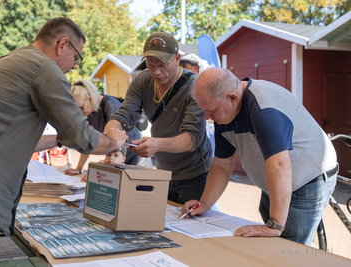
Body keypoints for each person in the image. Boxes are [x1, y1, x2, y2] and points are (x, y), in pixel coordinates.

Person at [0, 17, 127, 267]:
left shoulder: (4, 62)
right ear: (62, 44)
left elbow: (9, 137)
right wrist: (113, 142)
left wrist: (59, 138)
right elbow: (80, 136)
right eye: (76, 57)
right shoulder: (44, 68)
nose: (72, 67)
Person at [182, 67, 338, 246]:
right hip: (276, 178)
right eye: (204, 110)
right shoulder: (224, 113)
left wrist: (275, 224)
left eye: (211, 110)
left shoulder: (263, 109)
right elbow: (222, 165)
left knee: (287, 249)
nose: (207, 117)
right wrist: (204, 204)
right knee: (270, 242)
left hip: (307, 178)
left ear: (232, 98)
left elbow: (279, 165)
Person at [104, 32, 214, 205]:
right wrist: (110, 134)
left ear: (177, 59)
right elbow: (123, 116)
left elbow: (192, 138)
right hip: (164, 171)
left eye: (162, 65)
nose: (156, 71)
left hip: (196, 173)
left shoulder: (194, 87)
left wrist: (158, 144)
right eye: (150, 64)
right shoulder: (142, 81)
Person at [64, 79, 152, 179]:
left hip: (136, 154)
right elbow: (89, 141)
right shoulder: (87, 113)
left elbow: (116, 140)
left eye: (81, 108)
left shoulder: (111, 104)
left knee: (139, 189)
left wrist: (99, 171)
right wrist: (79, 167)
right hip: (117, 156)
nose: (80, 112)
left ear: (90, 98)